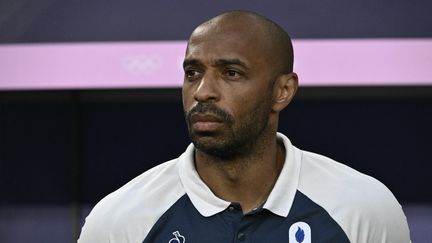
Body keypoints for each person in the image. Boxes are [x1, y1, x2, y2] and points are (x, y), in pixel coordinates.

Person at [78, 10, 411, 243]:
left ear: (283, 91)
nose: (202, 91)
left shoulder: (365, 208)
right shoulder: (120, 219)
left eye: (231, 73)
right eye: (193, 73)